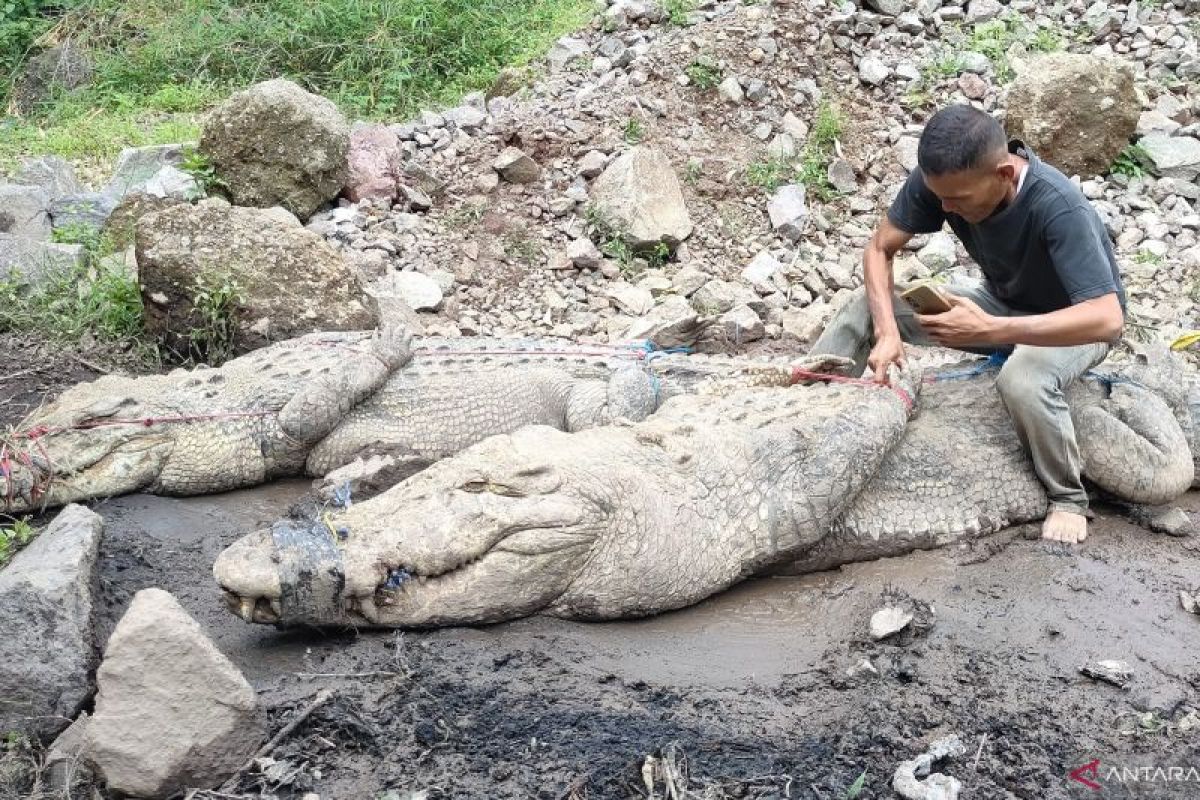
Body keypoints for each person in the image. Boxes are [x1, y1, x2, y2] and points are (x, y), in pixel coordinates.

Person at [810, 104, 1126, 546]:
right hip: (1002, 302)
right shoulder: (943, 179)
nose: (943, 207)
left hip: (1072, 323)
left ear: (1003, 174)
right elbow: (879, 248)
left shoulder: (1058, 207)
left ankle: (1068, 499)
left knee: (1023, 379)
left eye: (957, 200)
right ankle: (808, 405)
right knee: (865, 306)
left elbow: (1107, 318)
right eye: (939, 196)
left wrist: (992, 332)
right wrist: (887, 331)